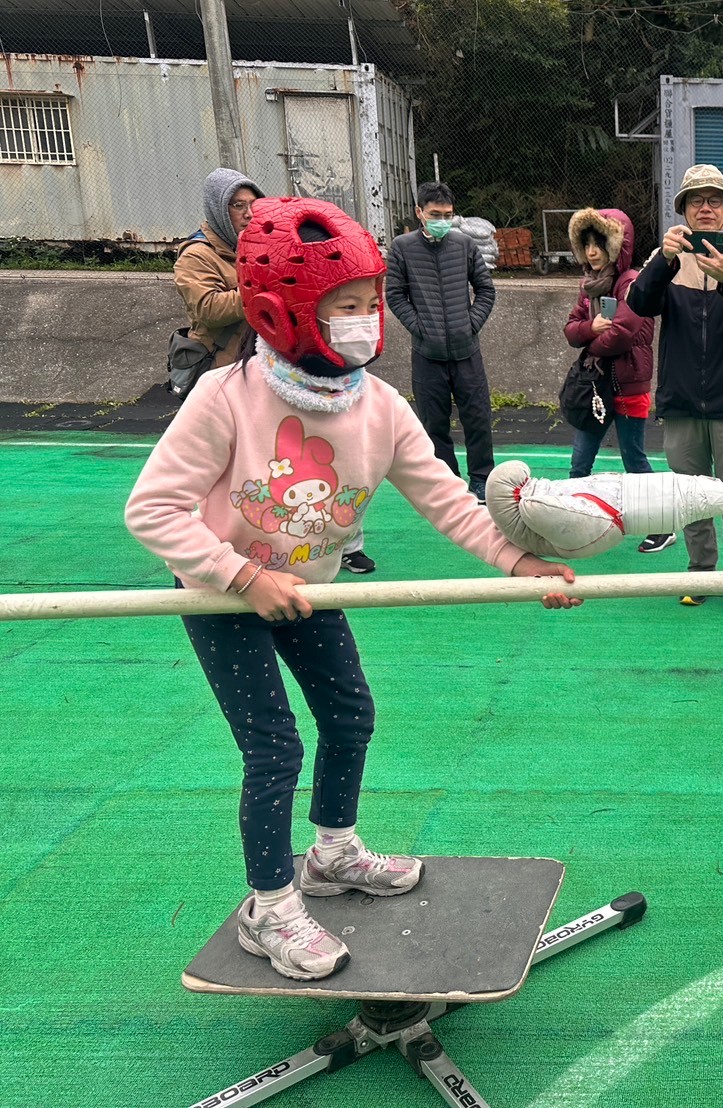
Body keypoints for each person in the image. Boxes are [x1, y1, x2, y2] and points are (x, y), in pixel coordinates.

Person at [126, 197, 579, 982]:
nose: (366, 319)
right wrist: (242, 575)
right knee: (273, 745)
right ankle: (269, 907)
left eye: (370, 302)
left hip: (307, 587)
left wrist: (519, 563)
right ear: (286, 312)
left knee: (349, 715)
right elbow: (152, 510)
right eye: (345, 306)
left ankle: (332, 854)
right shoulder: (226, 397)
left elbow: (447, 500)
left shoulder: (379, 406)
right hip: (221, 590)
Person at [627, 164, 723, 617]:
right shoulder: (667, 257)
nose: (706, 208)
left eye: (715, 200)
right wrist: (664, 260)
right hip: (681, 402)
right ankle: (700, 573)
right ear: (684, 210)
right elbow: (638, 303)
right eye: (696, 201)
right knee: (689, 500)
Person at [562, 207, 674, 554]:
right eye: (586, 245)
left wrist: (588, 342)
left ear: (615, 246)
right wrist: (590, 328)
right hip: (596, 387)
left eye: (599, 244)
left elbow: (623, 334)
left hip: (628, 384)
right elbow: (570, 328)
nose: (592, 252)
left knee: (634, 460)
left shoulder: (631, 282)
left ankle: (664, 524)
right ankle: (575, 521)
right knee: (580, 460)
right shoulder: (588, 284)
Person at [386, 181, 498, 504]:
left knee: (478, 418)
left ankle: (482, 479)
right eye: (435, 214)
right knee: (434, 424)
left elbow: (486, 290)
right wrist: (419, 327)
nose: (442, 220)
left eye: (448, 215)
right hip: (427, 355)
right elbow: (395, 295)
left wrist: (470, 324)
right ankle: (450, 483)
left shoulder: (465, 245)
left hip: (467, 353)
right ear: (419, 213)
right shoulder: (402, 247)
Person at [174, 167, 263, 369]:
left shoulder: (254, 245)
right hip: (221, 366)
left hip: (256, 362)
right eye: (239, 206)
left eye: (253, 205)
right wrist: (263, 291)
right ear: (219, 210)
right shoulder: (196, 255)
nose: (249, 214)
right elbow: (209, 309)